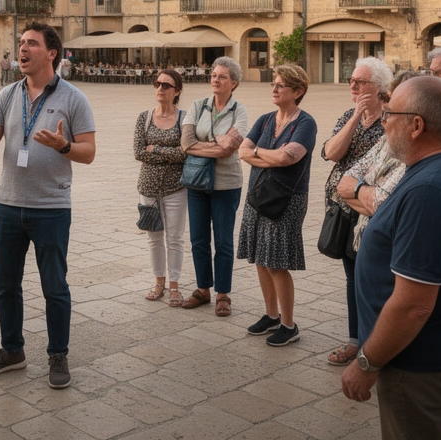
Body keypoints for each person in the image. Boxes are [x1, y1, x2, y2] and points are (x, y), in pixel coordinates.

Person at [342, 77, 441, 440]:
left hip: (419, 364)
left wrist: (367, 361)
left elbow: (413, 304)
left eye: (389, 114)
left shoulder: (431, 189)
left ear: (416, 125)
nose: (382, 121)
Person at [0, 22, 96, 389]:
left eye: (31, 44)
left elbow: (88, 152)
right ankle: (12, 350)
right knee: (5, 283)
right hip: (7, 205)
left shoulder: (73, 98)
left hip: (51, 207)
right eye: (21, 43)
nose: (22, 49)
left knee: (54, 286)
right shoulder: (8, 95)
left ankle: (58, 355)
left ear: (51, 53)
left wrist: (63, 147)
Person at [238, 64, 317, 346]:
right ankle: (271, 315)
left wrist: (259, 153)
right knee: (260, 257)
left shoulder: (305, 123)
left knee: (277, 262)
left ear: (298, 91)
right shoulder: (265, 120)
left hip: (286, 199)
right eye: (274, 83)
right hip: (258, 195)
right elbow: (243, 151)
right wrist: (266, 154)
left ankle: (288, 323)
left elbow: (289, 158)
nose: (274, 88)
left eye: (281, 85)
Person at [319, 57, 390, 365]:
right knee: (352, 277)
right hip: (342, 208)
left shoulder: (390, 119)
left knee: (372, 277)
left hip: (369, 210)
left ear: (379, 88)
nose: (353, 85)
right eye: (352, 80)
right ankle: (355, 339)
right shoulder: (350, 115)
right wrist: (356, 116)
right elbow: (331, 152)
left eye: (360, 82)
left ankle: (378, 343)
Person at [180, 56, 250, 317]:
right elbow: (185, 143)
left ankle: (223, 293)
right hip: (197, 182)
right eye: (213, 75)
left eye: (222, 76)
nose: (215, 80)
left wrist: (207, 146)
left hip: (226, 184)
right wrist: (216, 141)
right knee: (198, 239)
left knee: (223, 241)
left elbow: (231, 148)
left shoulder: (239, 111)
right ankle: (202, 289)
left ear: (234, 83)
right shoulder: (198, 105)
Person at [336, 71, 417, 253]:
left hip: (389, 245)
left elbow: (384, 205)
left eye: (391, 109)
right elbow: (343, 183)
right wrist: (370, 197)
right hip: (363, 234)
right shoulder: (386, 141)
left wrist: (357, 189)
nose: (385, 116)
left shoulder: (413, 151)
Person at [134, 69, 188, 306]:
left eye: (166, 85)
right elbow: (138, 152)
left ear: (177, 91)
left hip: (176, 187)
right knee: (154, 238)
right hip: (148, 187)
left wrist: (154, 149)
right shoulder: (144, 117)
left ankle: (174, 285)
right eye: (157, 84)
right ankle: (159, 282)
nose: (160, 89)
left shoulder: (185, 118)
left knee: (175, 238)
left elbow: (185, 153)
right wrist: (170, 154)